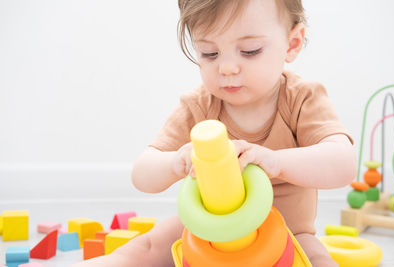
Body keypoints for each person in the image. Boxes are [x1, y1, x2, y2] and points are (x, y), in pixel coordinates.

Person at [72, 0, 356, 266]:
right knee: (147, 246)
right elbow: (142, 174)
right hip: (206, 235)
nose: (227, 67)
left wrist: (277, 162)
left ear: (291, 44)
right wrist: (175, 162)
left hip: (287, 233)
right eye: (210, 53)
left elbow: (343, 163)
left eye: (250, 51)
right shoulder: (198, 106)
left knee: (316, 257)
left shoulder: (302, 99)